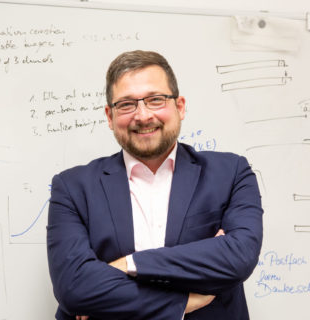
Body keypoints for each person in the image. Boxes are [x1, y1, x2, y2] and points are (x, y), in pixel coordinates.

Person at [47, 50, 263, 320]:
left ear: (180, 106)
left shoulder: (230, 173)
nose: (143, 115)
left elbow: (239, 257)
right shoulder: (72, 187)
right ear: (110, 116)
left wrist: (128, 264)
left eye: (155, 100)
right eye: (126, 104)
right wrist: (182, 302)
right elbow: (73, 289)